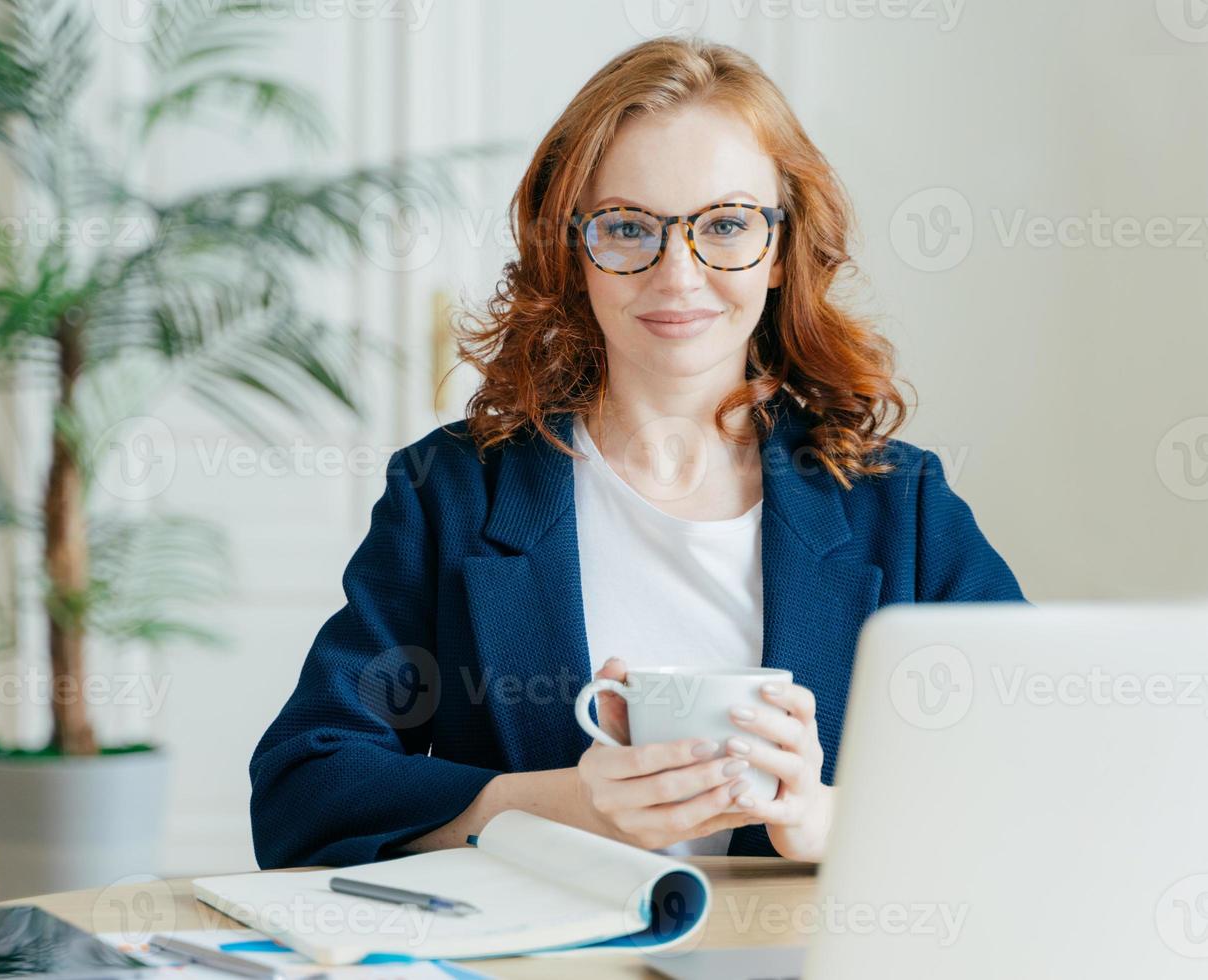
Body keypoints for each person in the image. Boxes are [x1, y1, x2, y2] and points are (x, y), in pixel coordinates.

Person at [248, 36, 1025, 869]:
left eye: (726, 225)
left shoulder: (897, 505)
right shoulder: (453, 493)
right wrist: (542, 807)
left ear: (781, 250)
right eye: (627, 228)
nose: (679, 275)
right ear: (571, 251)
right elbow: (303, 791)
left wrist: (829, 822)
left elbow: (1042, 779)